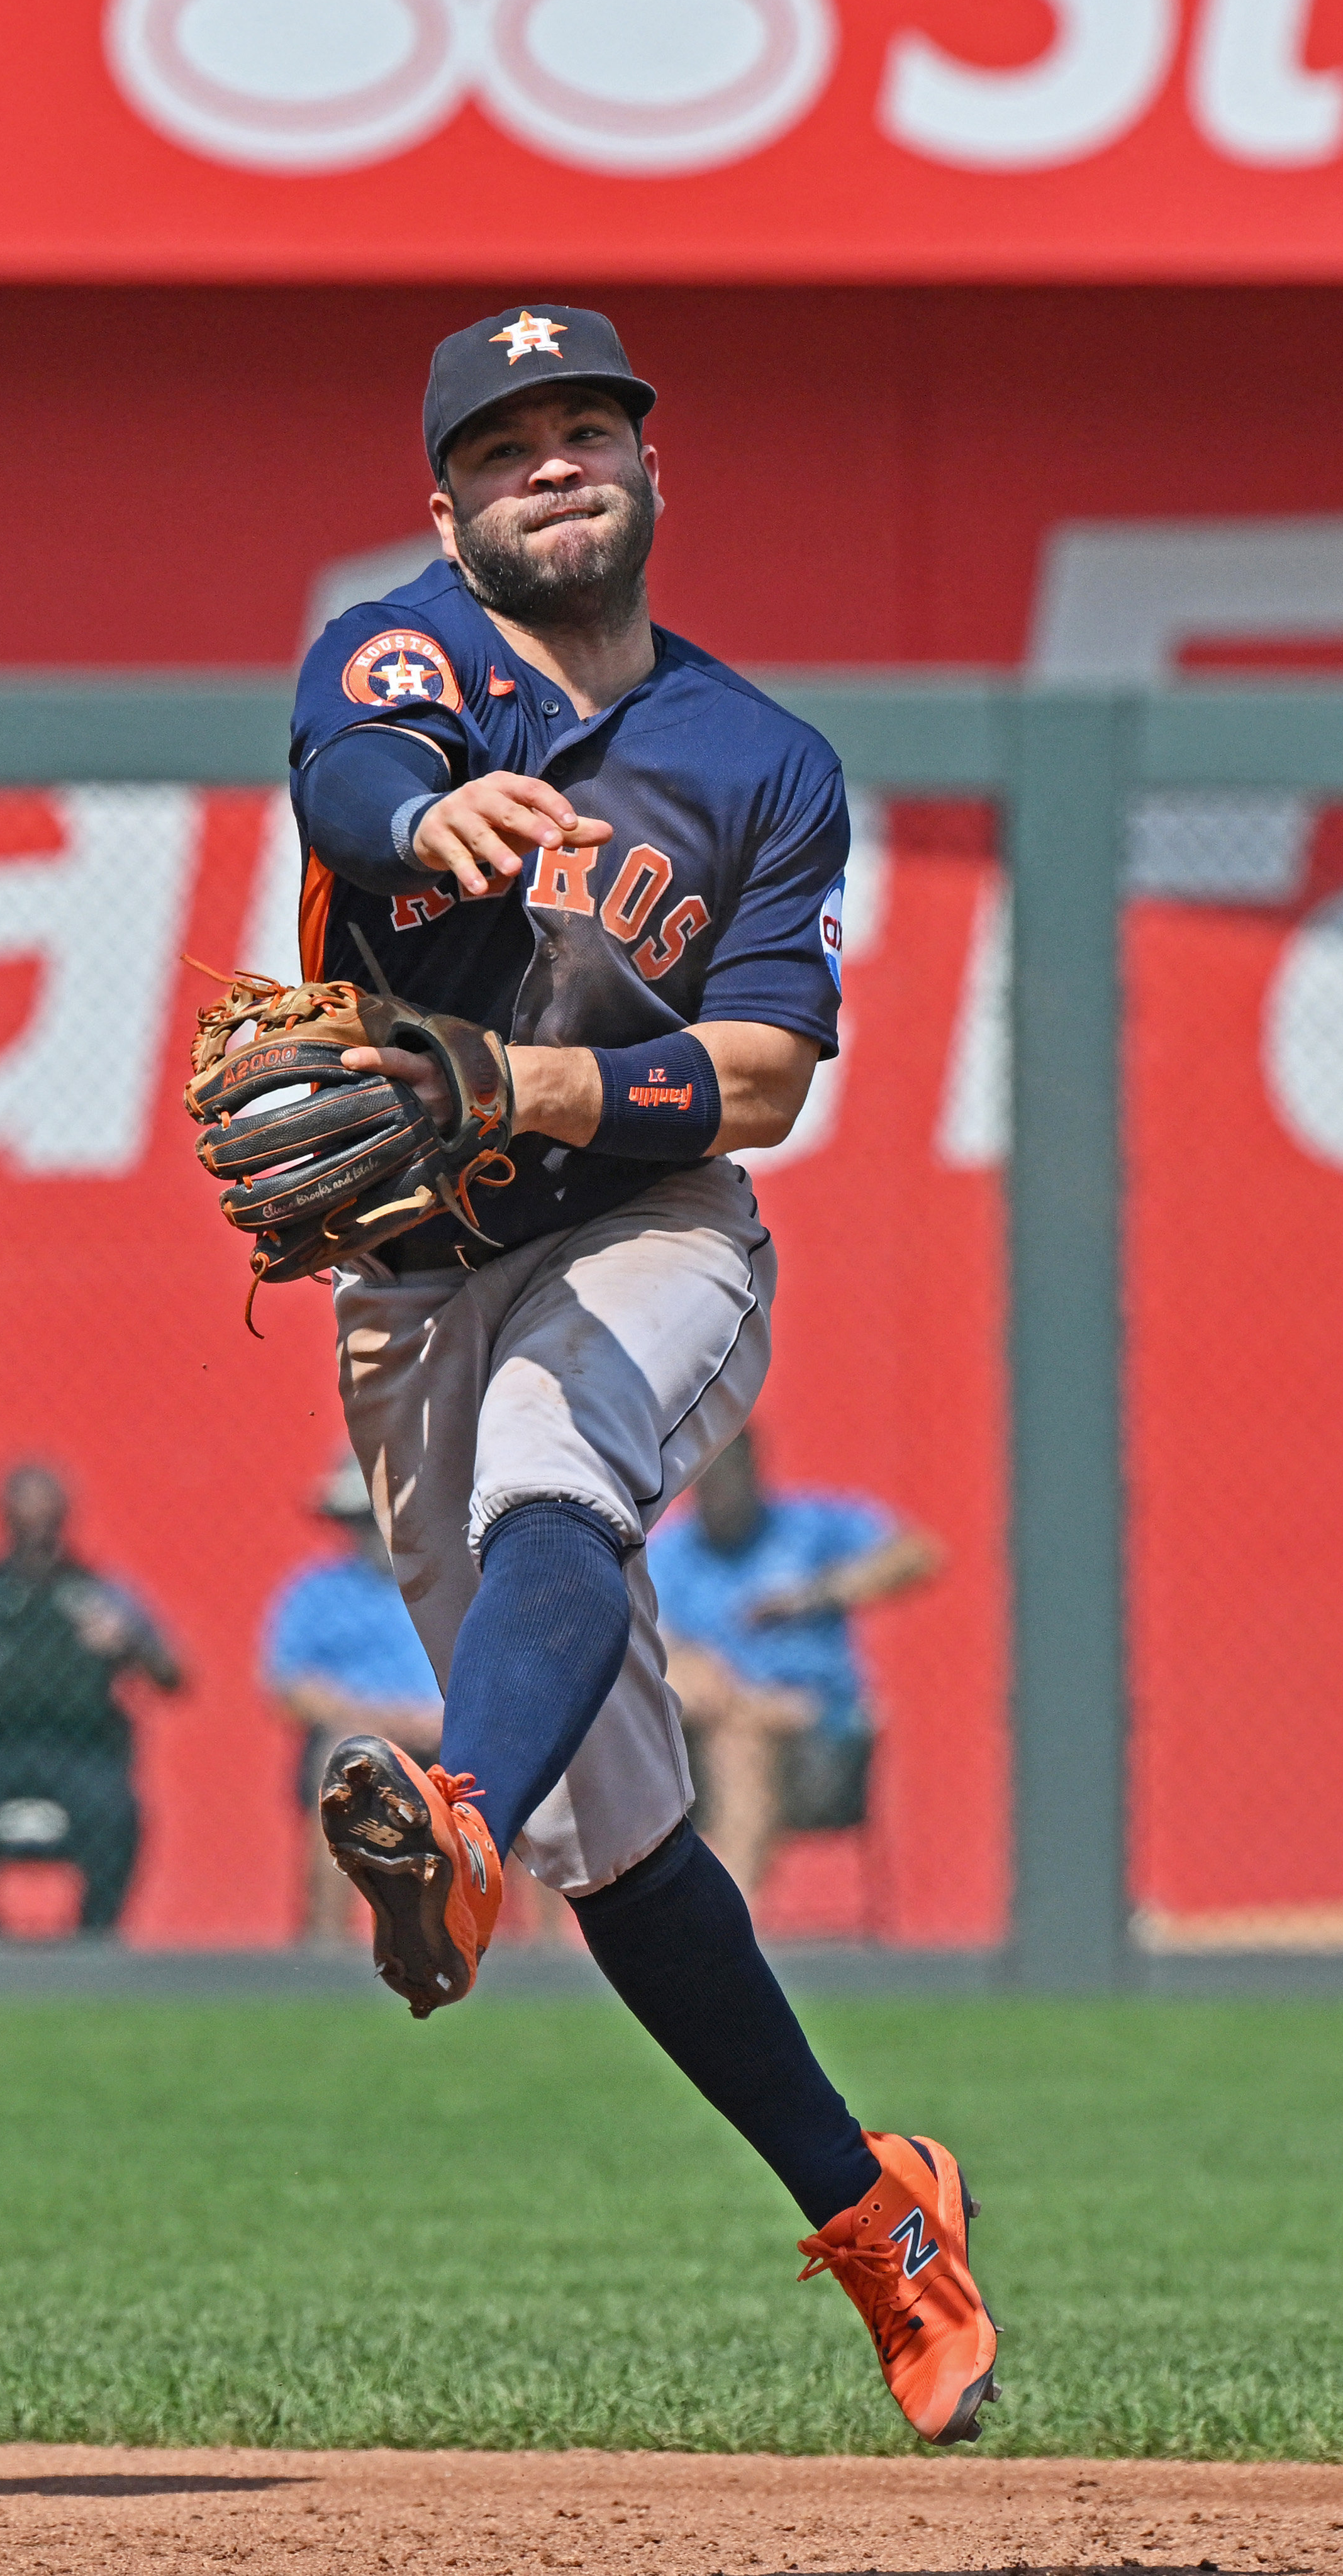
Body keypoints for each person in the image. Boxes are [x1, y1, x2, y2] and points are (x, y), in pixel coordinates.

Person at [274, 306, 1001, 2445]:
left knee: (555, 1460)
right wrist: (420, 835)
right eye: (505, 446)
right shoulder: (400, 661)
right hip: (412, 1284)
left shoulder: (759, 757)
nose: (552, 462)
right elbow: (349, 772)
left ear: (650, 477)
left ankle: (459, 1813)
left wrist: (525, 1073)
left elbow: (762, 1072)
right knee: (631, 1844)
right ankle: (879, 2206)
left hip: (649, 1230)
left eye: (588, 427)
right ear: (448, 506)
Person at [650, 1426, 944, 1897]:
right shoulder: (671, 1554)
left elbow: (918, 1554)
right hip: (702, 1737)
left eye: (729, 1477)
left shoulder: (811, 1528)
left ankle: (732, 1925)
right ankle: (553, 1947)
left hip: (818, 1737)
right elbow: (648, 1648)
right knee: (717, 1720)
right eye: (705, 1480)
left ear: (754, 1474)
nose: (718, 1494)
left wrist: (815, 1594)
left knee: (742, 1737)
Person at [0, 1463, 179, 1936]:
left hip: (78, 1750)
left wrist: (127, 1643)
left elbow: (172, 1674)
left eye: (46, 1518)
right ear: (5, 1519)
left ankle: (92, 1942)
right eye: (25, 1517)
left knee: (114, 1812)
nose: (36, 1530)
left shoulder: (97, 1592)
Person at [258, 1460, 442, 1948]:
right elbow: (289, 1688)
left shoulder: (454, 1589)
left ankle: (542, 1955)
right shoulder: (315, 1593)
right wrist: (377, 1721)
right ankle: (325, 1949)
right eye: (365, 1520)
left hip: (449, 1742)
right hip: (361, 1743)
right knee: (341, 1757)